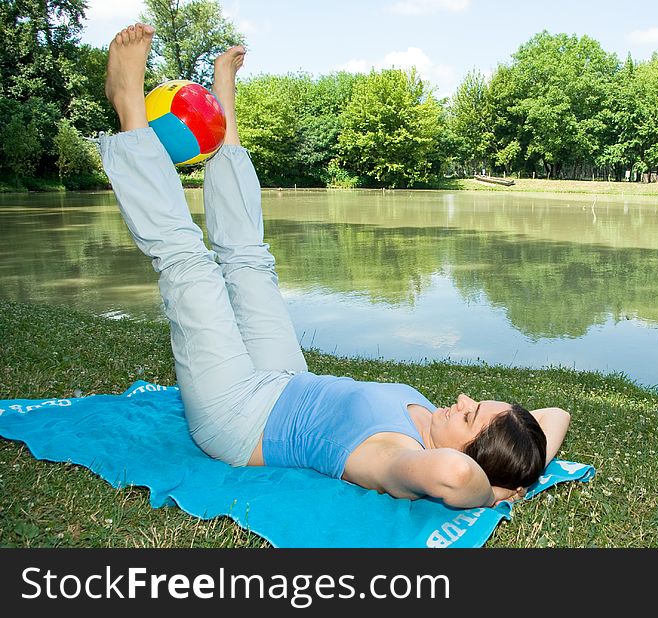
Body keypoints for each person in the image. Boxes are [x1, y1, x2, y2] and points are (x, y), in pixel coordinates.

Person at [101, 23, 571, 509]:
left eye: (471, 418)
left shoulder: (397, 458)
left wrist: (494, 493)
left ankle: (127, 103)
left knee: (189, 267)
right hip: (284, 379)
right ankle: (223, 115)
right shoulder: (441, 427)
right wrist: (519, 475)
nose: (466, 401)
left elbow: (455, 476)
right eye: (480, 405)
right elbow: (556, 414)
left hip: (240, 419)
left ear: (469, 455)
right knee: (249, 260)